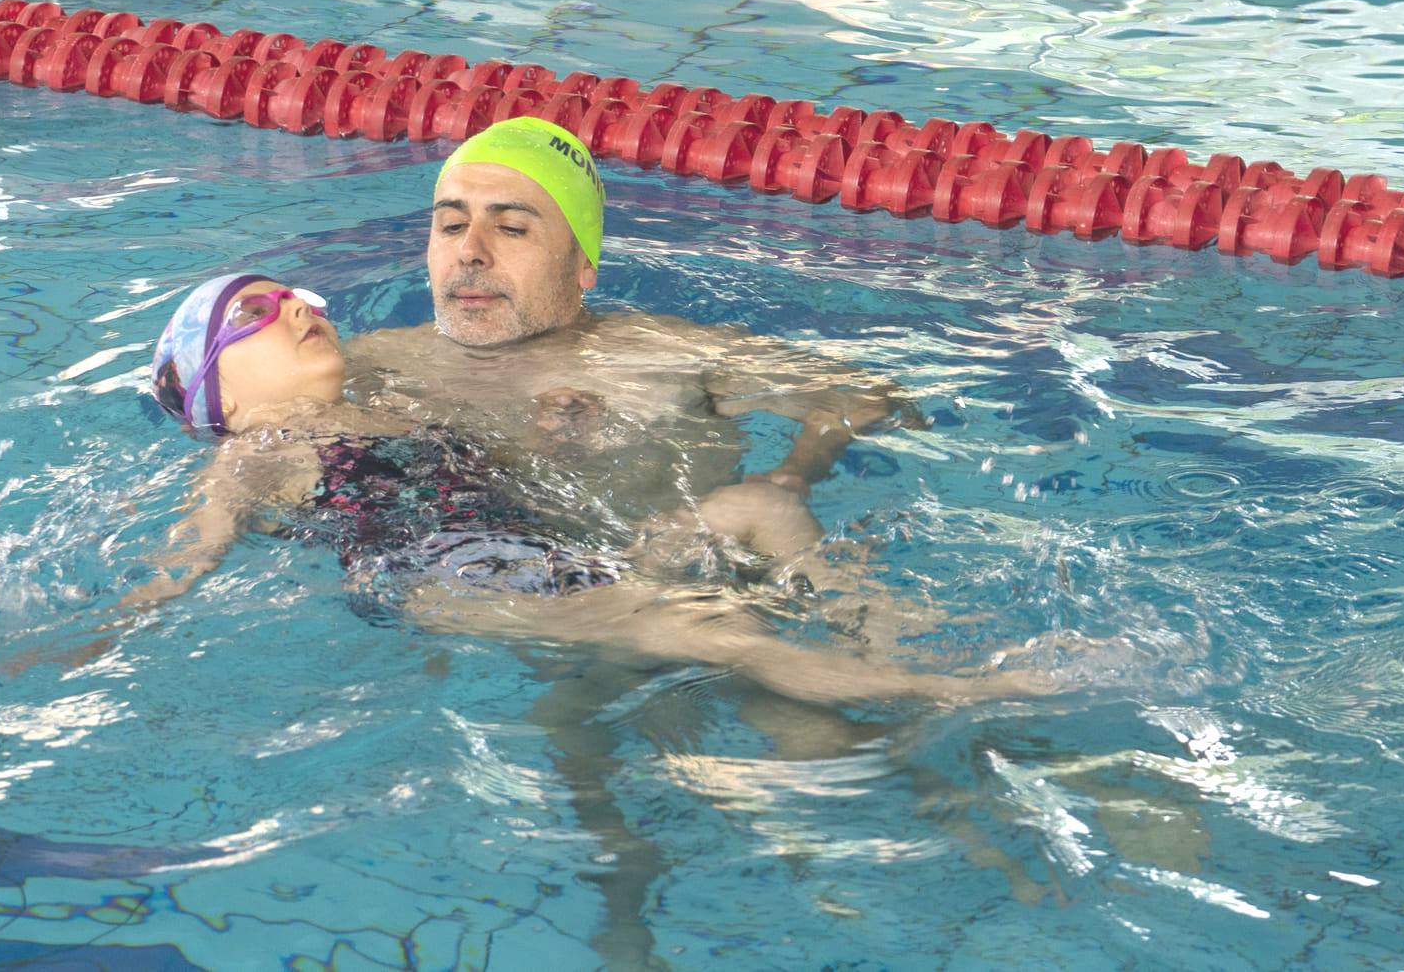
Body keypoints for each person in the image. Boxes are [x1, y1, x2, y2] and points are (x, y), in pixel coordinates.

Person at [103, 270, 1061, 709]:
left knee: (761, 507)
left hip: (557, 558)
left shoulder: (388, 391)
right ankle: (951, 690)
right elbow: (194, 549)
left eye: (294, 295)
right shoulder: (257, 448)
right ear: (217, 394)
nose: (298, 308)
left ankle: (891, 628)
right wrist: (121, 624)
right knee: (717, 631)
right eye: (256, 313)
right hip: (458, 590)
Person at [342, 117, 923, 527]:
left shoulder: (668, 354)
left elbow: (871, 395)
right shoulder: (375, 362)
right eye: (450, 226)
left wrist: (793, 476)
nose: (470, 251)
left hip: (693, 592)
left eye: (512, 228)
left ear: (583, 266)